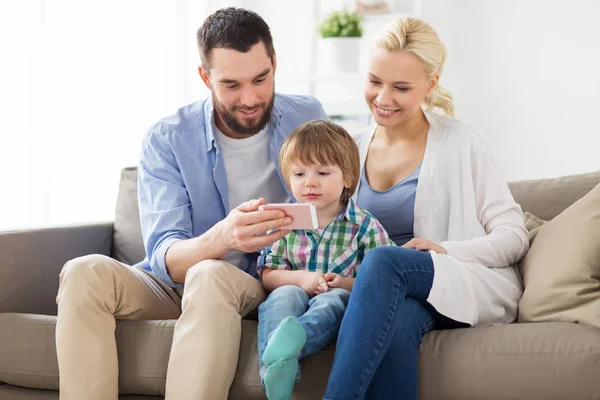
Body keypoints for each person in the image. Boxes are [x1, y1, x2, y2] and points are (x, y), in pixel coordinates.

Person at [54, 7, 329, 400]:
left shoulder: (308, 117)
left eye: (260, 79)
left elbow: (341, 200)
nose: (250, 98)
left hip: (258, 282)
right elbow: (166, 256)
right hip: (177, 283)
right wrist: (224, 236)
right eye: (231, 85)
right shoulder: (167, 138)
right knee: (83, 272)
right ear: (205, 76)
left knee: (210, 275)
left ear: (274, 63)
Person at [322, 16, 530, 400]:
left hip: (455, 280)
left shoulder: (460, 143)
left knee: (384, 260)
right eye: (374, 82)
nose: (383, 99)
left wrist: (445, 249)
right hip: (390, 295)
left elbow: (514, 236)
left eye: (401, 87)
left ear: (430, 84)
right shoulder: (349, 147)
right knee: (398, 323)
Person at [255, 120, 394, 400]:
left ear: (348, 178)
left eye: (323, 172)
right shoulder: (284, 221)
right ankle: (277, 371)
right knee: (284, 295)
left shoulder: (364, 225)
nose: (310, 182)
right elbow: (268, 274)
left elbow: (383, 281)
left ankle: (292, 343)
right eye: (299, 173)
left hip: (335, 294)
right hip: (292, 290)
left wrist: (344, 282)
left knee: (332, 300)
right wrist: (301, 279)